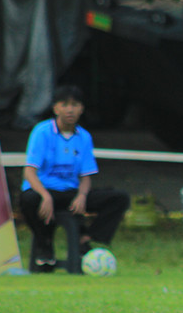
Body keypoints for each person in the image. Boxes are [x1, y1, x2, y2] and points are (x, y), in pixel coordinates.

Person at [19, 85, 130, 272]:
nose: (69, 109)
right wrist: (45, 195)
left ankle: (86, 237)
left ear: (81, 109)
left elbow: (86, 176)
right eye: (64, 104)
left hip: (70, 192)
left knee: (120, 198)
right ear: (56, 108)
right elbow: (29, 171)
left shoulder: (84, 137)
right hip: (45, 190)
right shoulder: (42, 132)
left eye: (74, 105)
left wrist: (82, 196)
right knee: (28, 199)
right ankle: (44, 244)